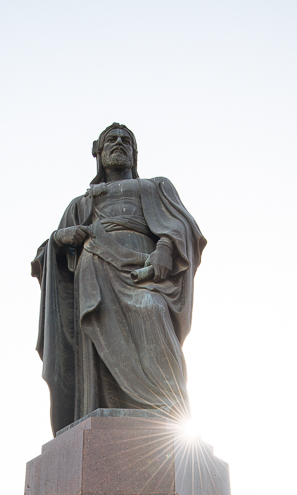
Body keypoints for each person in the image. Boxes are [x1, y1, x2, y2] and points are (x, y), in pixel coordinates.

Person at [32, 123, 206, 436]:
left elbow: (182, 226)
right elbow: (46, 254)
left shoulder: (155, 187)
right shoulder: (81, 203)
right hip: (95, 273)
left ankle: (169, 417)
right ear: (97, 152)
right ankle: (98, 422)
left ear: (135, 154)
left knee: (152, 310)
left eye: (127, 140)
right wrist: (60, 238)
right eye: (111, 139)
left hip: (144, 271)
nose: (119, 143)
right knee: (97, 340)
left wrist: (166, 249)